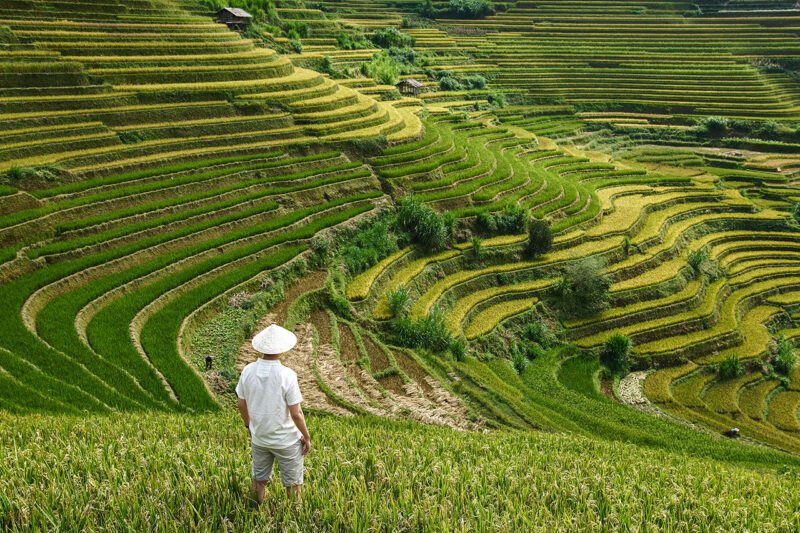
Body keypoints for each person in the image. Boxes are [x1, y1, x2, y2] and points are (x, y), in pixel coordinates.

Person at [236, 324, 311, 503]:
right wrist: (306, 436)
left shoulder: (247, 371)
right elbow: (296, 413)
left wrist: (249, 426)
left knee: (259, 480)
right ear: (283, 349)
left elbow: (240, 403)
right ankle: (294, 520)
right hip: (286, 440)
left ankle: (254, 513)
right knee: (293, 485)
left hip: (260, 437)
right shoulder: (287, 375)